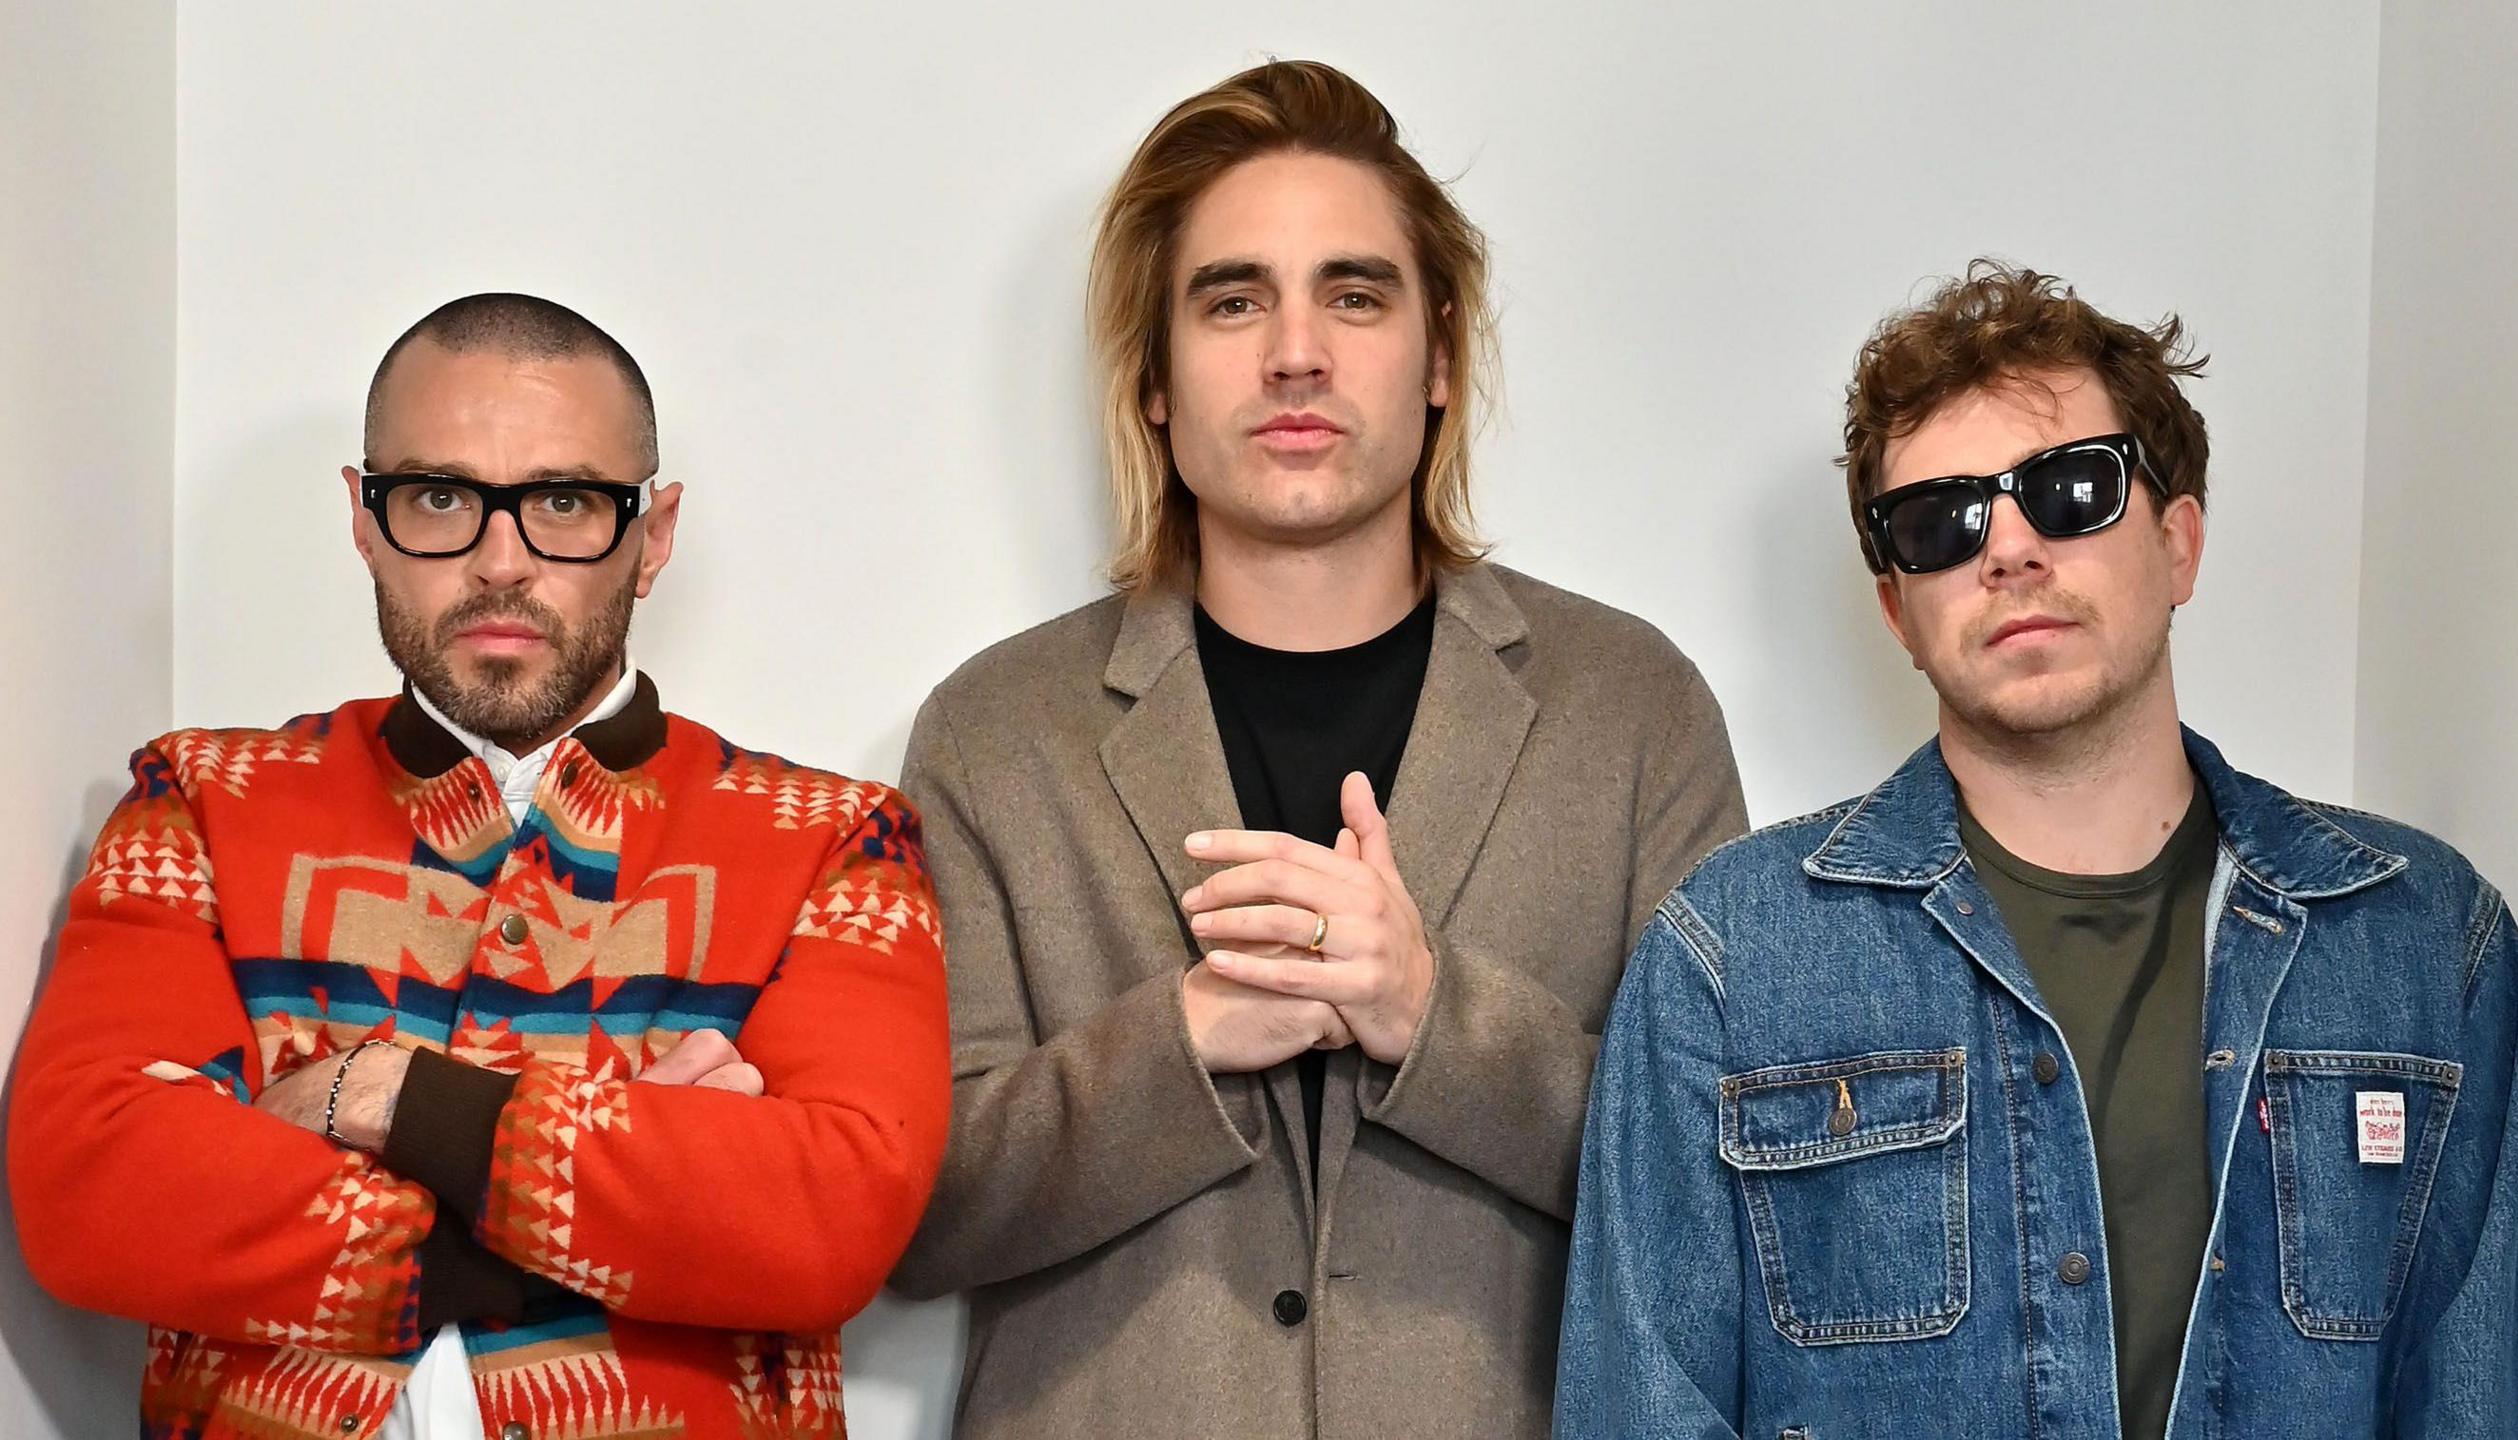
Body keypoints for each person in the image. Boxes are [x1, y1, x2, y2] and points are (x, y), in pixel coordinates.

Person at [887, 59, 1747, 1439]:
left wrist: (1431, 1015)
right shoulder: (994, 733)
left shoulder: (1634, 710)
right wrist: (1179, 1041)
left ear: (1443, 357)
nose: (1298, 352)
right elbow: (912, 1211)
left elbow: (1741, 1188)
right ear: (1155, 382)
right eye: (1233, 301)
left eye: (1355, 294)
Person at [1557, 261, 2518, 1437]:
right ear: (1897, 610)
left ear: (2178, 544)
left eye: (2072, 489)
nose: (2011, 549)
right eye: (1941, 522)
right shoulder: (1728, 961)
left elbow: (2483, 1405)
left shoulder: (2425, 945)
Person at [8, 293, 951, 1440]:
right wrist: (649, 1193)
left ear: (652, 538)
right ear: (364, 519)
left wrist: (380, 1093)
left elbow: (828, 1222)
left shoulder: (831, 840)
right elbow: (90, 1197)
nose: (501, 562)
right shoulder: (200, 803)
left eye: (563, 501)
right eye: (440, 496)